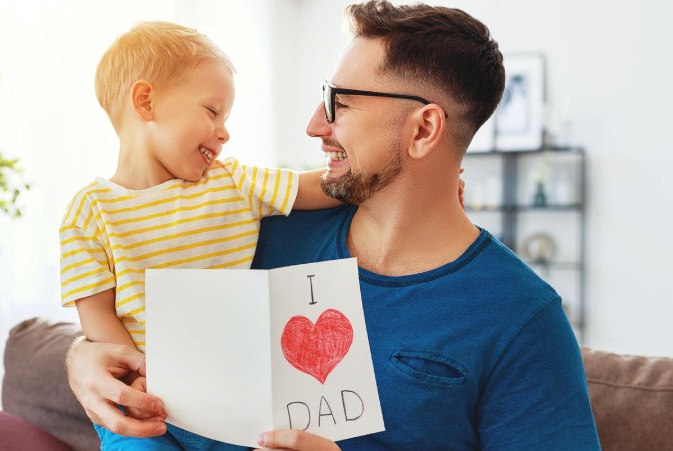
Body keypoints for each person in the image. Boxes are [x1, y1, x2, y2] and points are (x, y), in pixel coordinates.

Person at [66, 2, 601, 450]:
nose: (313, 126)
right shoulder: (258, 236)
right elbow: (136, 304)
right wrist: (84, 359)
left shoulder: (522, 320)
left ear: (424, 130)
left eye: (337, 103)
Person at [59, 21, 340, 450]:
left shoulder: (232, 181)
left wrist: (399, 179)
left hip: (232, 399)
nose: (225, 131)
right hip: (144, 405)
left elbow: (314, 187)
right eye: (212, 111)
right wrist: (140, 379)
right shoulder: (89, 211)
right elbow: (97, 316)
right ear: (146, 101)